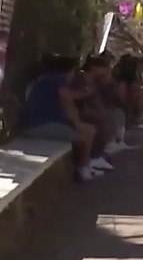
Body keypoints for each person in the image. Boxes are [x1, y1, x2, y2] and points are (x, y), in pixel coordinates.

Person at [21, 54, 100, 182]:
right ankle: (83, 169)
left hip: (44, 123)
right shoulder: (58, 78)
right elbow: (66, 97)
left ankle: (86, 165)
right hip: (41, 125)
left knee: (88, 130)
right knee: (85, 136)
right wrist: (85, 93)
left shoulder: (46, 80)